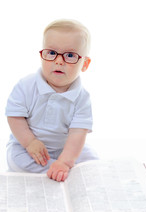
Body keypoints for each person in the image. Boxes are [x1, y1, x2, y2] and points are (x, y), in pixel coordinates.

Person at [5, 19, 98, 182]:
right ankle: (58, 171)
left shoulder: (82, 98)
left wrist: (65, 160)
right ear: (42, 55)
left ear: (85, 64)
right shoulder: (26, 85)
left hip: (65, 146)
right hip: (29, 146)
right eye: (52, 53)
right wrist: (30, 142)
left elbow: (78, 133)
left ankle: (61, 168)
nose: (59, 61)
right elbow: (15, 117)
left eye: (70, 55)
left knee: (92, 161)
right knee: (16, 160)